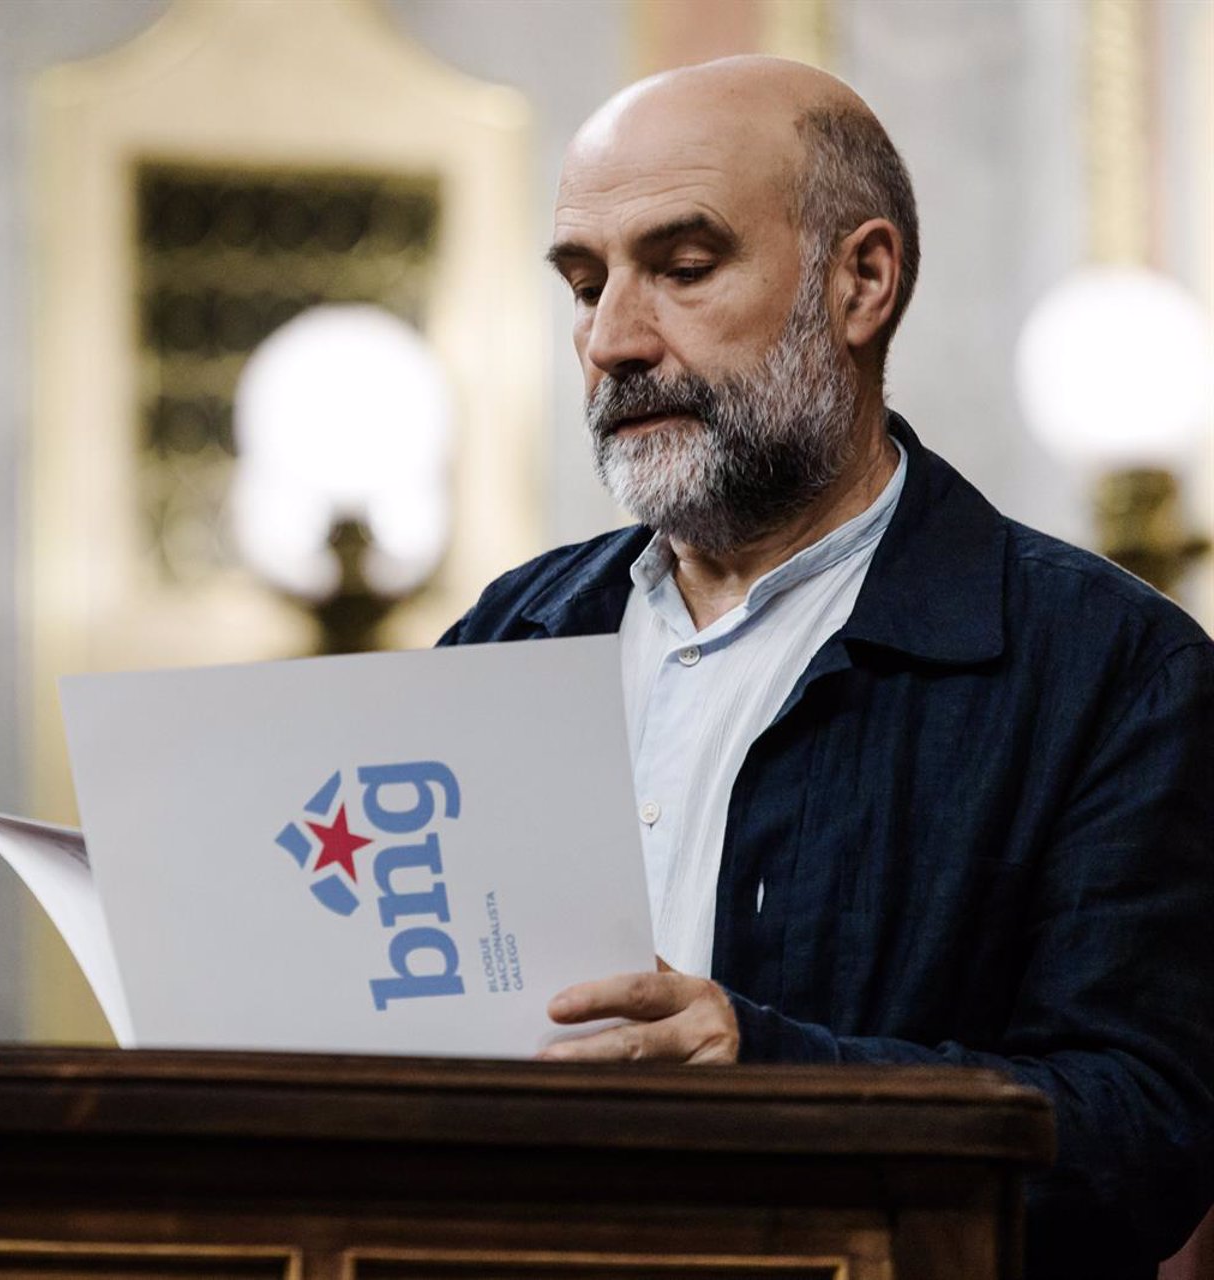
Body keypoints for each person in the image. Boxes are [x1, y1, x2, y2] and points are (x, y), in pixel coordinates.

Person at [439, 56, 1214, 1277]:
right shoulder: (511, 634)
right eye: (586, 286)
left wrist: (763, 1071)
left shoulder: (1112, 670)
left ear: (861, 281)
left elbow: (1143, 1132)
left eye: (683, 267)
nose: (613, 340)